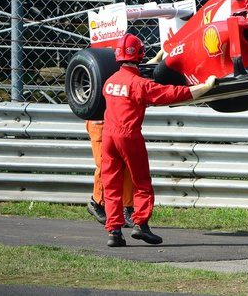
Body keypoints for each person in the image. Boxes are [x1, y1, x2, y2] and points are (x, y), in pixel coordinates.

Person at [102, 34, 216, 247]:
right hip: (129, 135)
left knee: (112, 184)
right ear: (140, 54)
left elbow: (135, 75)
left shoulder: (109, 82)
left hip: (108, 136)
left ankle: (114, 232)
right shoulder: (139, 85)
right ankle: (141, 224)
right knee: (141, 182)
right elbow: (169, 93)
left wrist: (156, 60)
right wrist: (205, 87)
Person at [85, 119, 134, 227]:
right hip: (99, 121)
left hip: (121, 121)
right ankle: (97, 203)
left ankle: (127, 208)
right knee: (105, 165)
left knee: (128, 165)